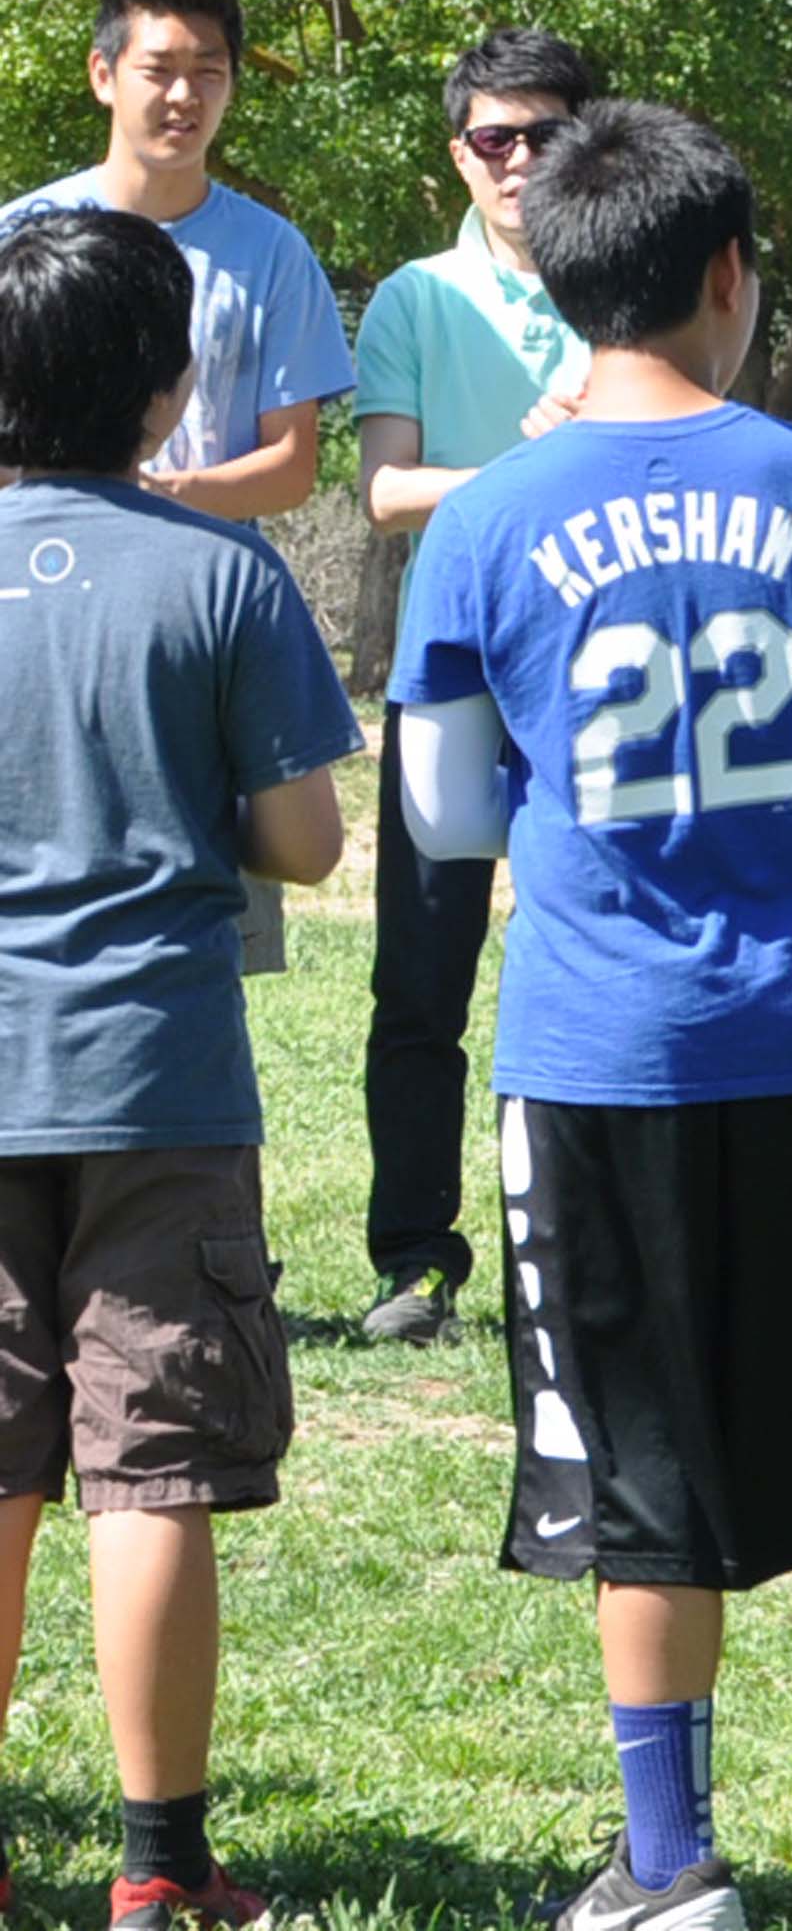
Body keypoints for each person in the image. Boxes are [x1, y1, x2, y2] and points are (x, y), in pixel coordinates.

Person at [390, 99, 792, 1931]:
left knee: (638, 1471)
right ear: (732, 273)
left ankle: (670, 1868)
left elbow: (443, 813)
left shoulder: (486, 517)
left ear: (561, 279)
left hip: (599, 1055)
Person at [0, 209, 361, 1931]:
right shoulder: (224, 574)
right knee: (147, 1471)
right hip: (156, 1078)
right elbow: (306, 842)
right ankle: (158, 1862)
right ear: (168, 385)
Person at [0, 0, 354, 982]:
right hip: (39, 611)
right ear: (103, 73)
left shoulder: (272, 252)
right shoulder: (24, 238)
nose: (184, 96)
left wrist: (154, 502)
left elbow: (292, 465)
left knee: (209, 940)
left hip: (196, 626)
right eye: (159, 68)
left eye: (210, 72)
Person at [353, 27, 597, 1347]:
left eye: (543, 134)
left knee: (598, 955)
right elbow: (386, 491)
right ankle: (415, 1258)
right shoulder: (414, 299)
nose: (517, 160)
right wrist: (531, 473)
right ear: (459, 155)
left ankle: (582, 1243)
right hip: (448, 672)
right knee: (422, 980)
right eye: (493, 138)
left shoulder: (629, 274)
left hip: (597, 673)